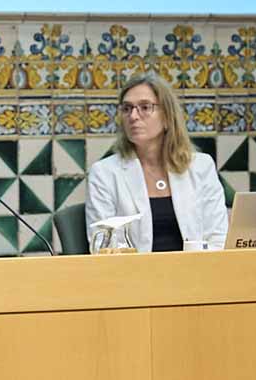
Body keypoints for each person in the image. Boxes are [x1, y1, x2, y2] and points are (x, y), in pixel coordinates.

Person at [85, 72, 228, 252]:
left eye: (145, 107)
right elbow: (101, 245)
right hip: (134, 276)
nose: (133, 116)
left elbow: (218, 237)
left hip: (196, 273)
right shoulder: (104, 173)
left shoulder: (201, 166)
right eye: (127, 108)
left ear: (168, 116)